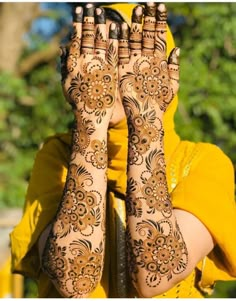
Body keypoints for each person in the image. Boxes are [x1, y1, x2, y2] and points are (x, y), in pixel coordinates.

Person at [10, 2, 236, 298]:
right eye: (98, 56)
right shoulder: (57, 158)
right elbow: (73, 283)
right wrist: (90, 123)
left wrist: (146, 121)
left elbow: (156, 275)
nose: (110, 75)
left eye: (130, 56)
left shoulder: (201, 163)